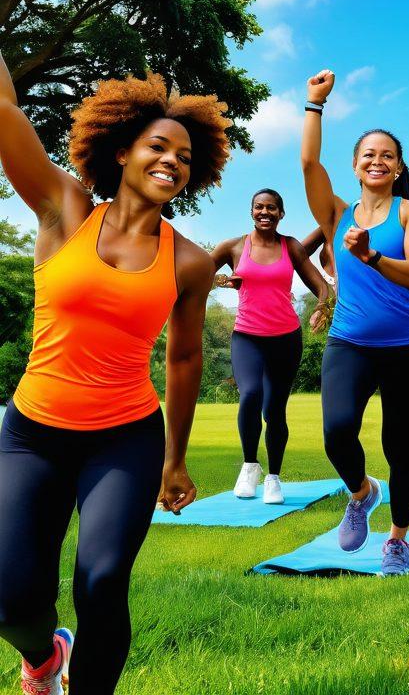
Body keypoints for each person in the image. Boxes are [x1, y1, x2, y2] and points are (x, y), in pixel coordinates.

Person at [0, 70, 227, 693]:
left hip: (123, 438)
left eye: (184, 156)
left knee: (101, 583)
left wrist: (175, 460)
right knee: (10, 600)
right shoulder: (64, 207)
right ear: (123, 150)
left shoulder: (189, 261)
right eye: (158, 146)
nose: (171, 161)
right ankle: (45, 659)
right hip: (31, 433)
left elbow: (183, 362)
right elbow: (3, 107)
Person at [301, 99, 409, 578]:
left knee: (401, 447)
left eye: (387, 156)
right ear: (355, 164)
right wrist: (314, 104)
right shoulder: (337, 215)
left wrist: (370, 255)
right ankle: (361, 493)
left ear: (398, 167)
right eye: (369, 154)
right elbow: (309, 164)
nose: (377, 161)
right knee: (337, 433)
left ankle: (397, 541)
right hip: (350, 343)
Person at [211, 190, 331, 504]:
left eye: (271, 208)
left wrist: (320, 307)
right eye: (259, 207)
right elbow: (196, 273)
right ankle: (250, 466)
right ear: (251, 211)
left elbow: (320, 285)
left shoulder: (290, 247)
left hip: (286, 338)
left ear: (281, 213)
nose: (265, 212)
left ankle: (273, 479)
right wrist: (221, 281)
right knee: (250, 395)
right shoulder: (234, 247)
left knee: (274, 410)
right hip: (247, 337)